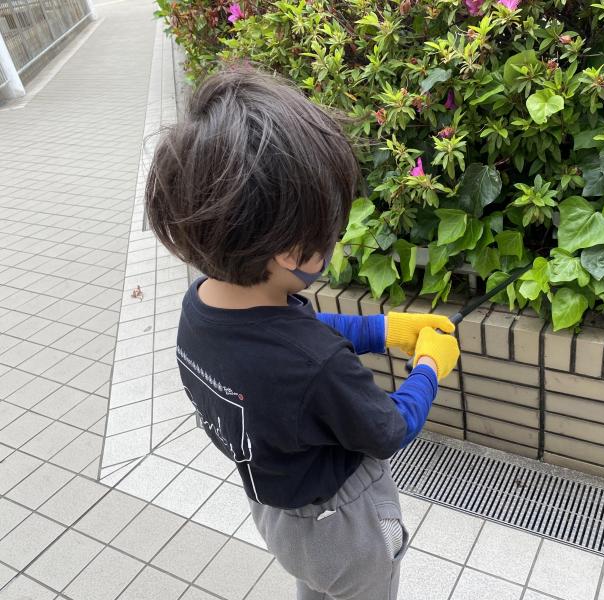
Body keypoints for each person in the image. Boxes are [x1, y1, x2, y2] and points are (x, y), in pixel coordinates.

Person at [144, 66, 461, 600]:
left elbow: (292, 335)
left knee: (314, 588)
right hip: (348, 528)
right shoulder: (320, 367)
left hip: (277, 516)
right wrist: (429, 365)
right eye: (331, 233)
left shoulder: (200, 306)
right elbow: (388, 429)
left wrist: (385, 329)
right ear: (293, 253)